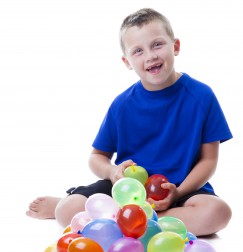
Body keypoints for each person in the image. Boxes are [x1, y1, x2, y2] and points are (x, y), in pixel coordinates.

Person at [26, 8, 233, 236]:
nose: (150, 56)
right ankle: (134, 220)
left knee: (218, 212)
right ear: (127, 61)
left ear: (175, 46)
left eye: (157, 44)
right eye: (138, 51)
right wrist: (113, 172)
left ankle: (128, 222)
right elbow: (97, 157)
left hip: (180, 191)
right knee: (67, 210)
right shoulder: (122, 104)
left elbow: (209, 160)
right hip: (126, 192)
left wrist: (179, 191)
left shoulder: (202, 96)